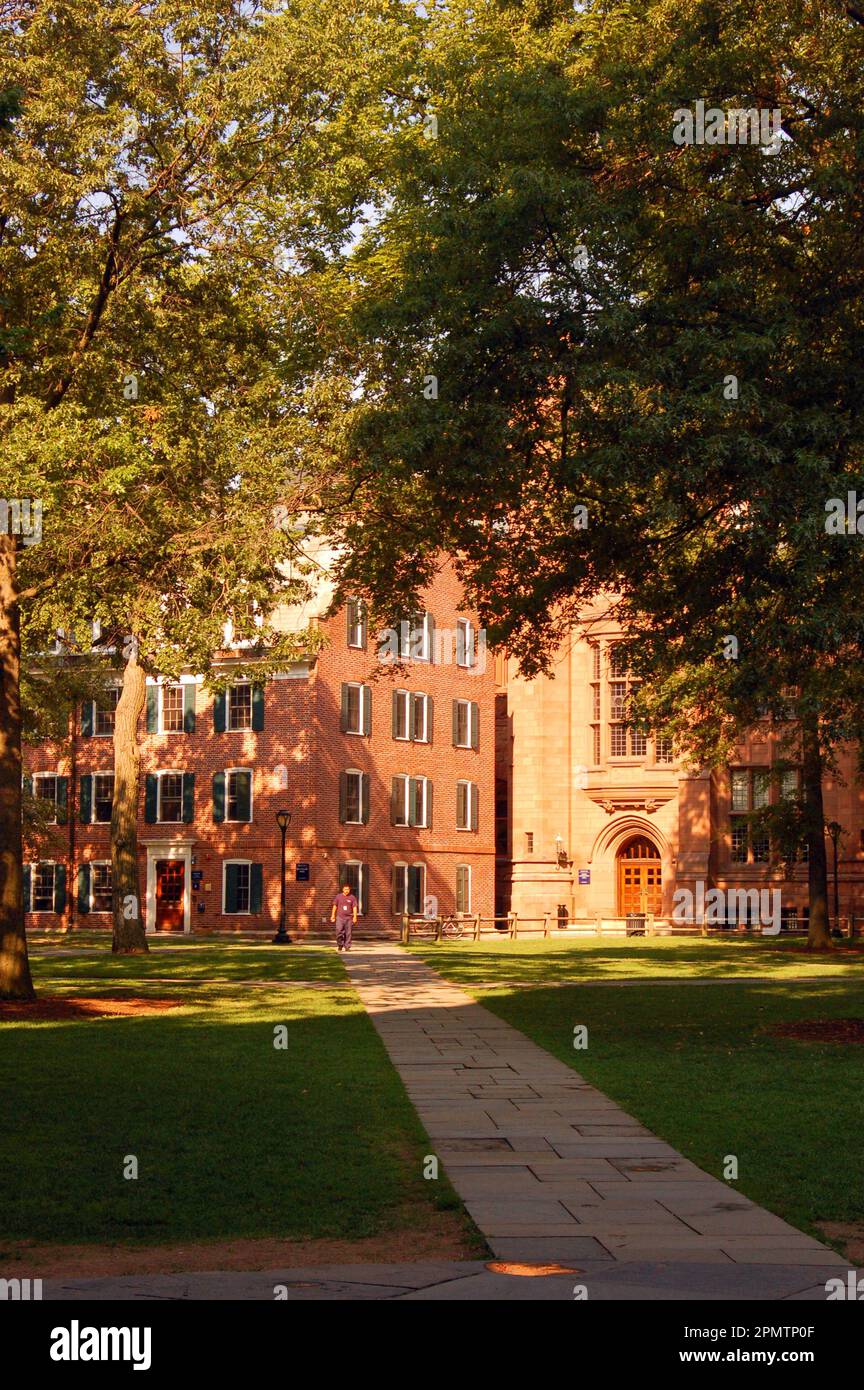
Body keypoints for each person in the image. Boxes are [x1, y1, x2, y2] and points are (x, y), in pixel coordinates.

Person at [331, 882, 358, 952]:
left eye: (348, 889)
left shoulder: (352, 897)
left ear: (349, 890)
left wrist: (355, 917)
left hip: (349, 918)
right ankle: (340, 945)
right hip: (340, 917)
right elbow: (335, 906)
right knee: (338, 931)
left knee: (348, 933)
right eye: (345, 889)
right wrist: (333, 915)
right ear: (343, 889)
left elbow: (354, 907)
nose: (346, 891)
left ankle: (347, 947)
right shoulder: (338, 897)